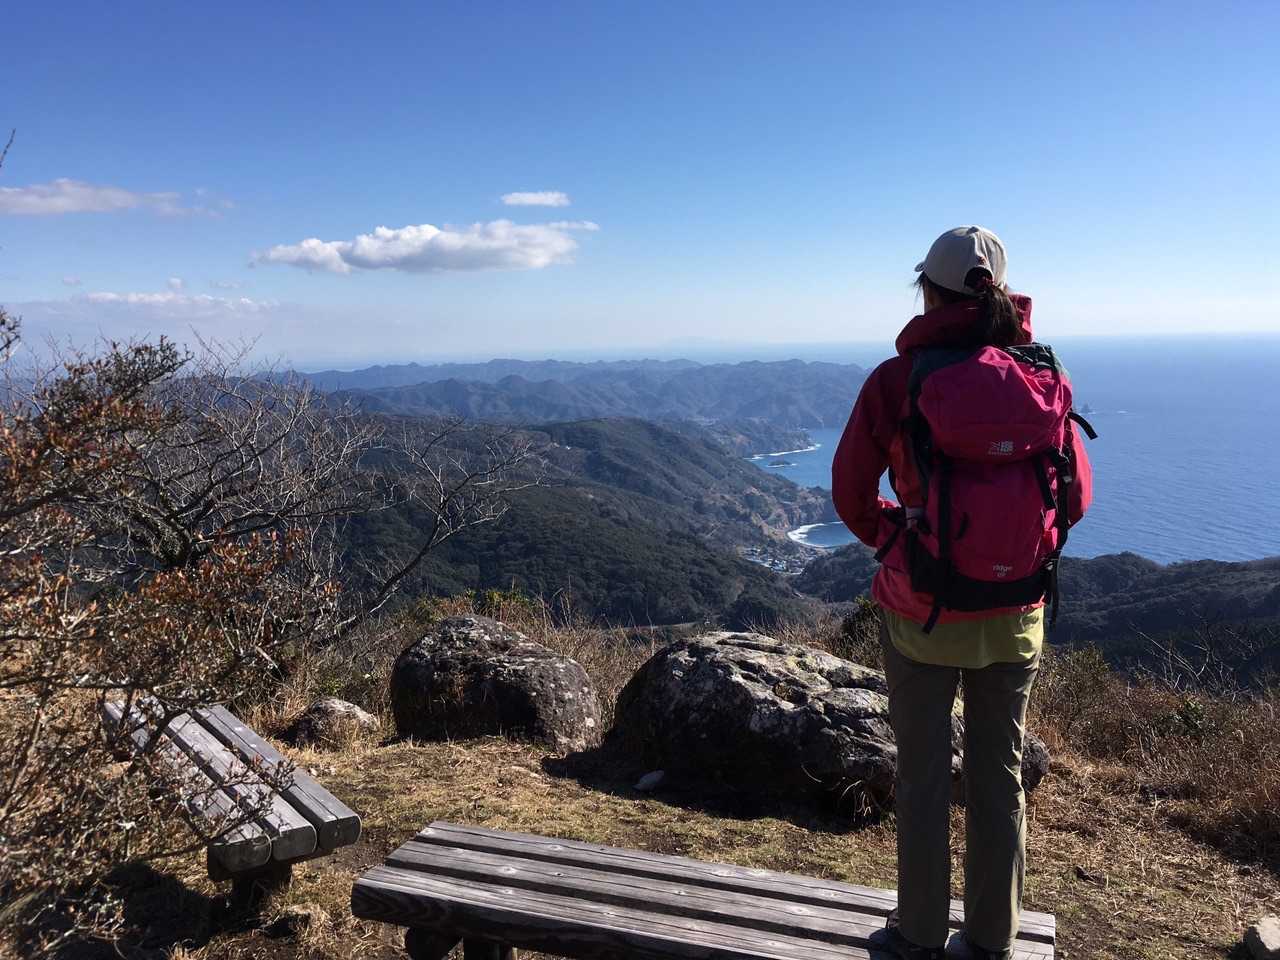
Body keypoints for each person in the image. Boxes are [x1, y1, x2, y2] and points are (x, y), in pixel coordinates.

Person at [831, 226, 1092, 959]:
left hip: (923, 612)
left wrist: (902, 540)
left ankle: (917, 933)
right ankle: (992, 938)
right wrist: (1012, 554)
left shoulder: (899, 380)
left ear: (929, 290)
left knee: (921, 776)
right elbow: (1075, 496)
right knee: (999, 777)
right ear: (1001, 292)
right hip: (1017, 616)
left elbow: (851, 493)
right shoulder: (1041, 375)